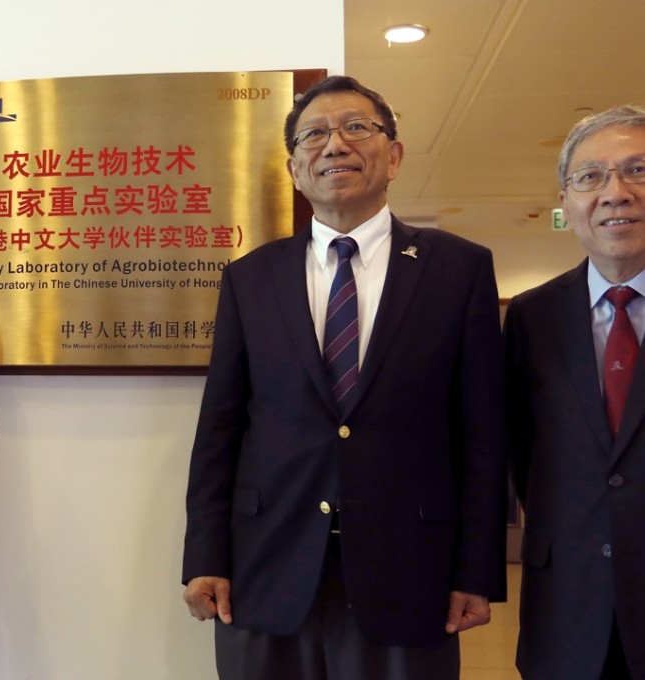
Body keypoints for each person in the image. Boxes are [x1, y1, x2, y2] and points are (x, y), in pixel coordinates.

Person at [181, 75, 508, 679]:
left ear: (395, 154)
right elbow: (219, 429)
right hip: (266, 565)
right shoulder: (251, 279)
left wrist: (477, 570)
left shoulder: (458, 269)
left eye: (357, 127)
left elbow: (483, 435)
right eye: (315, 134)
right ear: (294, 167)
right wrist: (204, 556)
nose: (335, 145)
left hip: (412, 569)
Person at [505, 104, 645, 680]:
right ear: (566, 202)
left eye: (638, 170)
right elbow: (521, 453)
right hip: (566, 610)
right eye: (591, 176)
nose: (616, 193)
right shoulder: (531, 317)